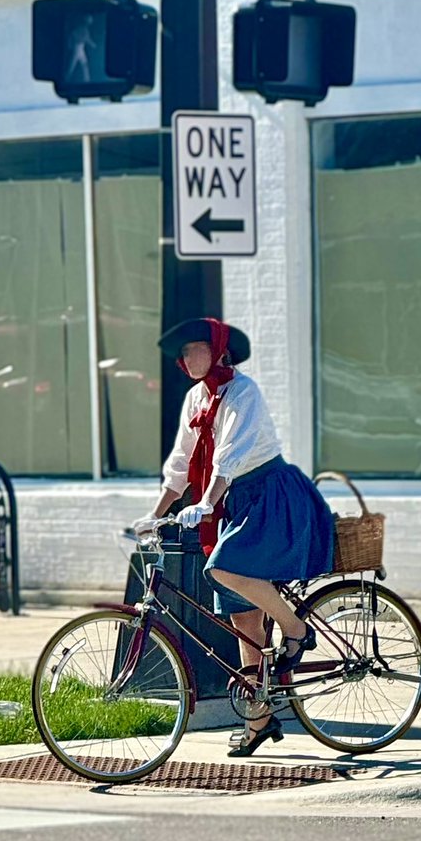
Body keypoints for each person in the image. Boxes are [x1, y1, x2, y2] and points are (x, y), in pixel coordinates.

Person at [132, 317, 336, 757]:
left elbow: (230, 454)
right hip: (232, 502)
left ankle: (295, 627)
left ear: (218, 349)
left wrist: (206, 502)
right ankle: (259, 718)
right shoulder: (195, 398)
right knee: (243, 617)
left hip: (270, 494)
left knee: (223, 568)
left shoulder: (244, 391)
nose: (184, 359)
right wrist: (155, 514)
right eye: (181, 354)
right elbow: (182, 462)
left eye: (192, 349)